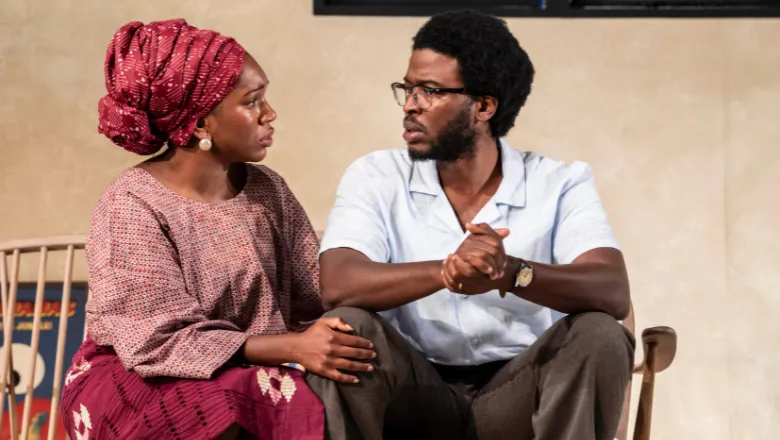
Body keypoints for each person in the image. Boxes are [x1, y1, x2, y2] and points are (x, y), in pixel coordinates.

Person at [308, 10, 636, 440]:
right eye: (407, 89)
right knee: (350, 326)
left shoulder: (558, 183)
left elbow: (611, 291)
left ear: (483, 106)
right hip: (415, 393)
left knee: (599, 334)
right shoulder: (375, 175)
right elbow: (339, 284)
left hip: (519, 393)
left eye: (429, 91)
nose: (410, 105)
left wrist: (509, 272)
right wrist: (449, 271)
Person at [60, 19, 375, 440]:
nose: (270, 113)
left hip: (250, 365)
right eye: (253, 101)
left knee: (345, 373)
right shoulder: (131, 204)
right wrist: (291, 348)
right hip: (141, 372)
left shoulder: (267, 189)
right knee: (220, 408)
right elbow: (155, 340)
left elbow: (313, 291)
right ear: (202, 124)